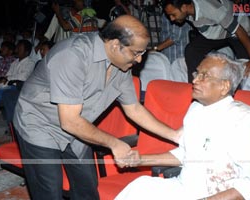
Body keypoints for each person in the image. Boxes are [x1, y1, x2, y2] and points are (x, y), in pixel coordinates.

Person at [13, 15, 181, 200]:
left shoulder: (121, 65)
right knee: (49, 190)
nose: (140, 60)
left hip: (78, 125)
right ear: (116, 45)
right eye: (136, 53)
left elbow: (134, 109)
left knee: (87, 187)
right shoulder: (72, 55)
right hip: (39, 123)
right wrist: (114, 143)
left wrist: (174, 135)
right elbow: (69, 121)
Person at [116, 53, 250, 200]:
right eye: (197, 73)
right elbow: (186, 154)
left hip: (215, 195)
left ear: (224, 86)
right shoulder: (196, 109)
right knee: (140, 187)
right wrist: (140, 160)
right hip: (183, 190)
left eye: (204, 76)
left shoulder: (244, 120)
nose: (194, 80)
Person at [162, 0, 250, 83]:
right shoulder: (186, 12)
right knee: (191, 50)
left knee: (245, 65)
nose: (171, 19)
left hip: (239, 31)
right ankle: (196, 85)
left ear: (184, 7)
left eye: (173, 14)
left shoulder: (210, 8)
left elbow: (239, 30)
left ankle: (239, 95)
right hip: (217, 32)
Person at [0, 39, 35, 122]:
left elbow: (23, 77)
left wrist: (6, 79)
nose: (16, 51)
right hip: (8, 86)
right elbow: (6, 78)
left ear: (26, 52)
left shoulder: (30, 63)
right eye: (17, 48)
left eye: (19, 49)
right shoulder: (15, 62)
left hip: (18, 88)